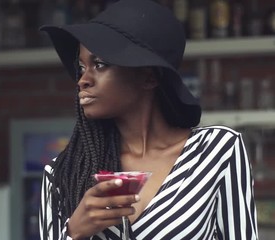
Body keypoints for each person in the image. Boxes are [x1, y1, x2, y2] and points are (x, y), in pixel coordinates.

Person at [39, 0, 258, 239]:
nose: (83, 80)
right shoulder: (64, 172)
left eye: (100, 64)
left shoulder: (217, 152)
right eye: (81, 67)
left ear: (149, 78)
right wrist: (75, 231)